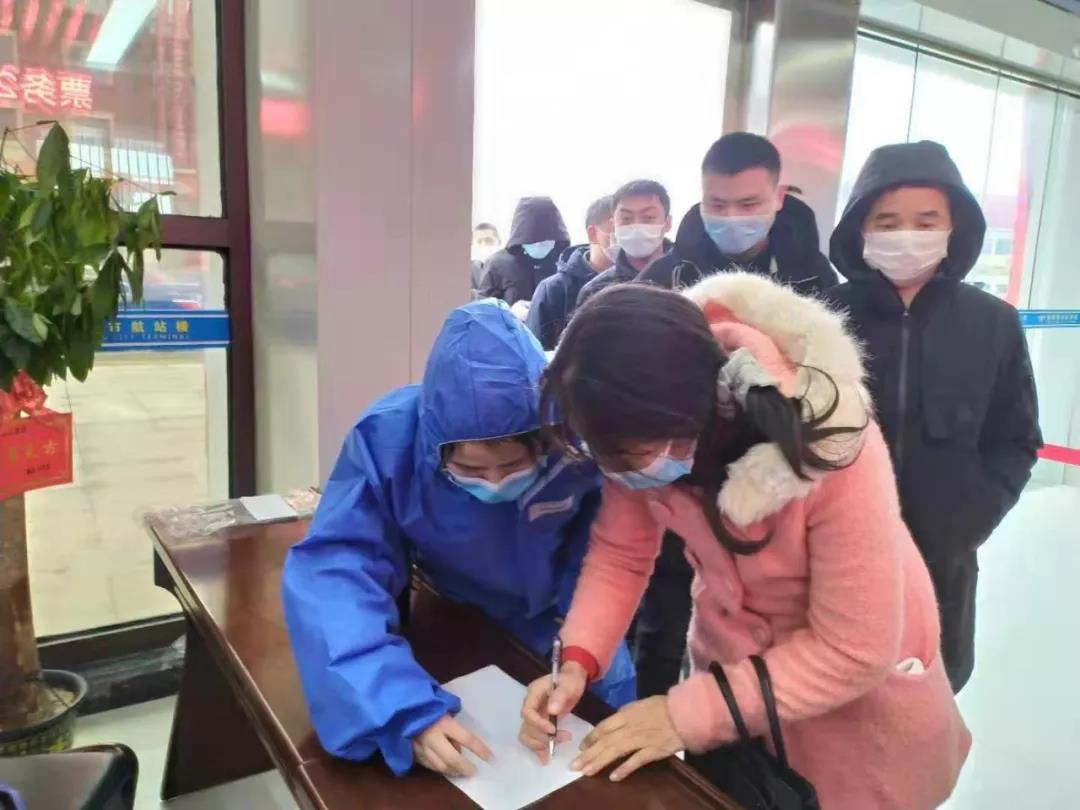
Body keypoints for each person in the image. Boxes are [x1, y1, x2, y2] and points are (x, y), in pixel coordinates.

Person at [517, 278, 970, 808]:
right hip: (737, 696)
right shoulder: (638, 436)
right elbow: (620, 554)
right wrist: (577, 660)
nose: (620, 471)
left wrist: (683, 715)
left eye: (629, 453)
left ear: (691, 414)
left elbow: (854, 650)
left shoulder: (830, 439)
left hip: (854, 715)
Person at [282, 300, 636, 779]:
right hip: (462, 621)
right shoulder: (389, 438)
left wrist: (578, 653)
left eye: (513, 466)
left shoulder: (577, 437)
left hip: (574, 626)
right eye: (469, 469)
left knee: (607, 767)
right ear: (435, 449)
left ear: (545, 436)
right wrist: (399, 709)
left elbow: (607, 556)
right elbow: (337, 576)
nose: (494, 481)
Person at [828, 140, 1041, 693]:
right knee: (830, 691)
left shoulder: (993, 323)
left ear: (954, 228)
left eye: (926, 221)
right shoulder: (825, 316)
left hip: (943, 561)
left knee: (931, 692)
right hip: (836, 558)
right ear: (860, 229)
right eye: (887, 221)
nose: (907, 235)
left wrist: (971, 517)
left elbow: (1016, 439)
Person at [637, 132, 836, 294]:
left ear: (779, 197)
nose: (731, 217)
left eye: (748, 205)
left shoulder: (813, 278)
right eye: (717, 205)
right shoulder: (662, 279)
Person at [526, 195, 615, 350]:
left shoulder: (648, 280)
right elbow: (534, 355)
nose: (629, 234)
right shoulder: (554, 290)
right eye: (617, 227)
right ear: (593, 233)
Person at [576, 180, 674, 307]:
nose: (636, 226)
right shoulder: (596, 292)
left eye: (648, 217)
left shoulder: (689, 275)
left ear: (668, 223)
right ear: (614, 225)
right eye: (626, 219)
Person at [479, 197, 570, 305]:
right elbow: (482, 307)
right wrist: (508, 311)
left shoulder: (566, 262)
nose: (539, 245)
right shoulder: (498, 264)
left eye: (546, 241)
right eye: (533, 241)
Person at [470, 222, 501, 299]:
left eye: (489, 240)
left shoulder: (508, 266)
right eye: (479, 241)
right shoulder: (468, 270)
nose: (484, 245)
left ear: (499, 242)